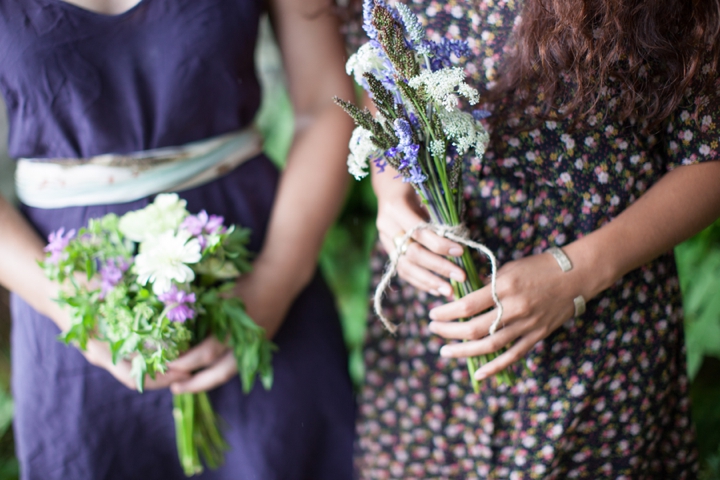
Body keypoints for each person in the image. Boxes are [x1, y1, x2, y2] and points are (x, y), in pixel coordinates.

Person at [349, 0, 720, 478]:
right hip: (439, 325)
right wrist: (393, 196)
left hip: (598, 322)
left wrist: (576, 274)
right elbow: (385, 76)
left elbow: (709, 155)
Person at [0, 0, 356, 478]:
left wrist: (276, 276)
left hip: (256, 272)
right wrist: (67, 304)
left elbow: (326, 101)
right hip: (63, 291)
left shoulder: (271, 280)